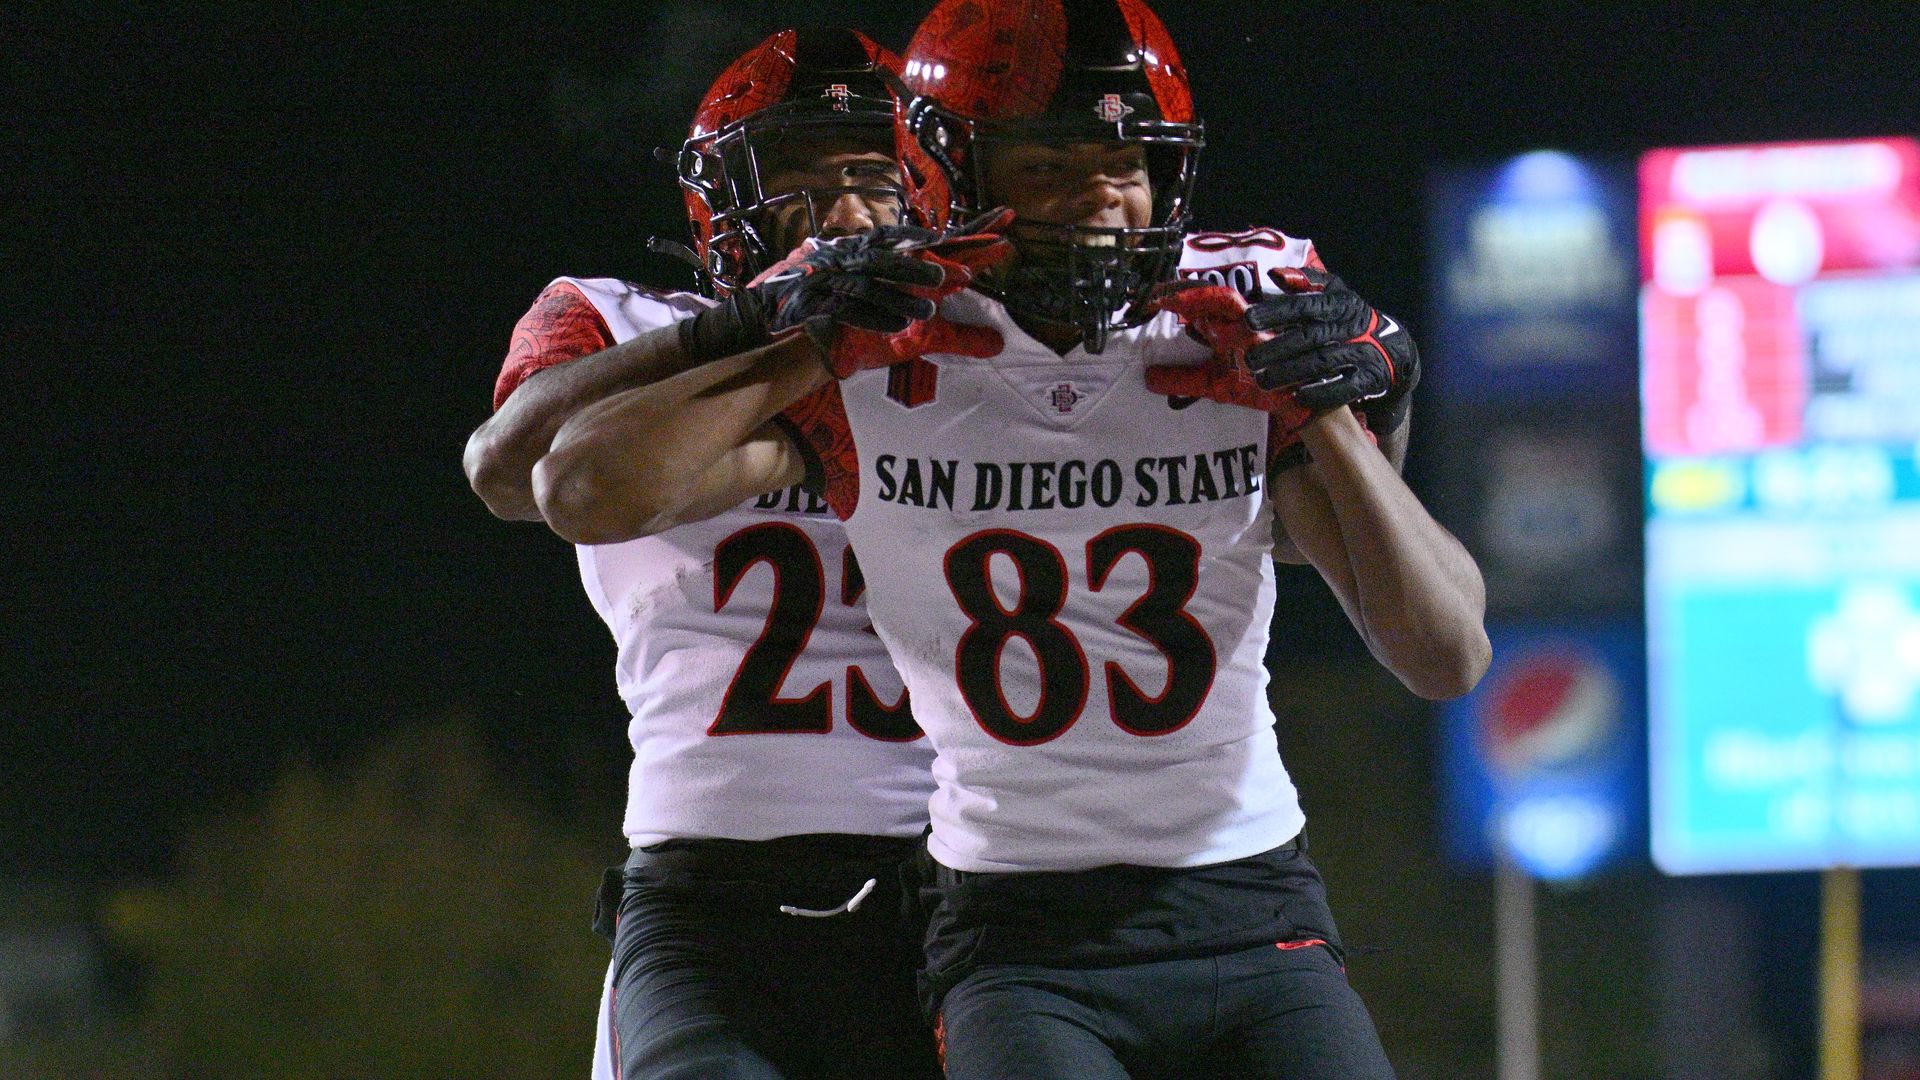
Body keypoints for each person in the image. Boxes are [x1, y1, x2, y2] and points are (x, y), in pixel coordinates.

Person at [531, 1, 1491, 1076]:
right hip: (997, 924)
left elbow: (1440, 648)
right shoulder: (886, 343)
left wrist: (1350, 404)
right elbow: (576, 487)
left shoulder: (1223, 316)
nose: (1098, 196)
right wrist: (795, 332)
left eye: (1126, 158)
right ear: (952, 174)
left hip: (1244, 897)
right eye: (1049, 162)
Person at [462, 28, 958, 1080]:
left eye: (872, 179)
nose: (841, 214)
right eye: (794, 183)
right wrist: (747, 329)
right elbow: (508, 472)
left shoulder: (976, 348)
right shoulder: (622, 320)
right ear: (721, 204)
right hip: (708, 887)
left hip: (954, 881)